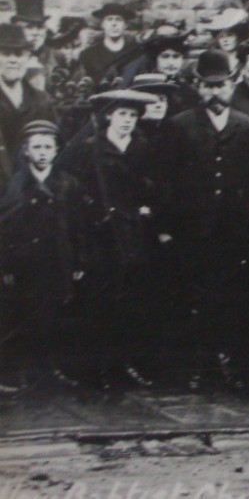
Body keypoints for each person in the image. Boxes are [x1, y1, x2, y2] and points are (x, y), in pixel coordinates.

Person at [162, 49, 249, 390]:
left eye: (220, 85)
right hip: (193, 229)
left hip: (234, 229)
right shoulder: (179, 125)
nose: (214, 92)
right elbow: (168, 180)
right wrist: (168, 227)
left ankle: (232, 365)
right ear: (197, 86)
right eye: (207, 86)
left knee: (232, 296)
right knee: (194, 297)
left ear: (232, 85)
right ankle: (196, 367)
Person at [62, 89, 165, 389]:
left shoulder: (143, 147)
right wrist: (94, 209)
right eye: (122, 114)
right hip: (101, 234)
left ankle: (126, 364)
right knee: (100, 300)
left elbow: (154, 185)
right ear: (109, 115)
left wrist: (146, 204)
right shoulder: (91, 147)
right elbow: (75, 188)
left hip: (134, 232)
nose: (127, 121)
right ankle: (97, 369)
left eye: (133, 116)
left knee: (133, 299)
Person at [0, 120, 88, 392]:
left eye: (47, 147)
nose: (42, 152)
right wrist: (7, 265)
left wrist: (78, 261)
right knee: (22, 315)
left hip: (57, 261)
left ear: (56, 151)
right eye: (36, 147)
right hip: (25, 263)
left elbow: (78, 226)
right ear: (26, 151)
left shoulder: (68, 184)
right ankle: (21, 371)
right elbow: (6, 229)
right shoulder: (13, 185)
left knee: (53, 314)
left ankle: (50, 370)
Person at [0, 24, 56, 193]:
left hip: (31, 188)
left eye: (19, 54)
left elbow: (53, 145)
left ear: (27, 58)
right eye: (5, 53)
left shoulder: (41, 100)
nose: (13, 60)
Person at [12, 0, 64, 92]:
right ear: (17, 29)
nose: (35, 33)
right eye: (29, 27)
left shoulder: (57, 56)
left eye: (40, 27)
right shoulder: (8, 56)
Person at [79, 2, 136, 83]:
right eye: (109, 19)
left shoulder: (135, 53)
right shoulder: (88, 54)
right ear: (103, 24)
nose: (114, 24)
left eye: (118, 20)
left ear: (125, 25)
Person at [205, 8, 249, 73]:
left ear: (237, 36)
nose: (225, 40)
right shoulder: (213, 60)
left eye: (230, 35)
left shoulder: (245, 58)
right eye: (221, 37)